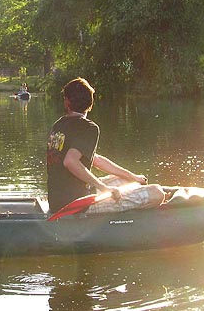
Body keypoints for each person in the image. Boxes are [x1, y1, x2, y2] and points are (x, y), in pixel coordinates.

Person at [46, 78, 157, 213]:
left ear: (67, 102)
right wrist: (105, 188)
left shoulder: (59, 124)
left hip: (57, 200)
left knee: (131, 182)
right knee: (157, 193)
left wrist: (133, 177)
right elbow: (70, 161)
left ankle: (126, 200)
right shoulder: (88, 128)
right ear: (90, 102)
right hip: (77, 204)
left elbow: (94, 159)